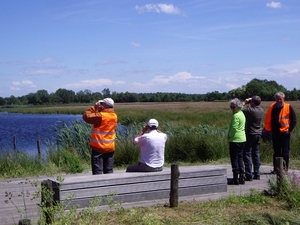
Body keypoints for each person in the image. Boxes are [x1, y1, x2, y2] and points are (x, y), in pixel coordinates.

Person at [82, 97, 118, 175]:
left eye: (101, 104)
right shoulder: (114, 116)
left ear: (105, 104)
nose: (100, 105)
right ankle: (110, 187)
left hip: (99, 147)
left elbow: (86, 116)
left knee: (98, 172)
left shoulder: (100, 116)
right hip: (110, 147)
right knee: (108, 170)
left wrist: (94, 107)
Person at [264, 92, 297, 172]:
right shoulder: (273, 107)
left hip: (285, 133)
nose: (279, 100)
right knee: (276, 152)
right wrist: (268, 130)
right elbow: (269, 119)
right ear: (275, 99)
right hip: (275, 133)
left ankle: (285, 169)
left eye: (280, 99)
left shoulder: (288, 107)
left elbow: (294, 120)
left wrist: (289, 130)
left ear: (283, 99)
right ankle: (276, 169)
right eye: (277, 99)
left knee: (285, 152)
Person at [242, 96, 264, 181]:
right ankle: (257, 173)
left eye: (252, 101)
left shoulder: (251, 111)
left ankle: (248, 174)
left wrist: (245, 101)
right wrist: (250, 102)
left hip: (250, 134)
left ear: (253, 102)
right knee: (256, 154)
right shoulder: (261, 110)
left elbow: (239, 108)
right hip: (258, 133)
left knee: (247, 153)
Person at [227, 98, 246, 185]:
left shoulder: (235, 116)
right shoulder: (241, 113)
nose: (232, 108)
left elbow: (234, 128)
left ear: (238, 106)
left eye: (233, 107)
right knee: (240, 158)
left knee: (234, 159)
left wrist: (229, 135)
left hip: (235, 139)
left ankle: (235, 179)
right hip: (242, 139)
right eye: (231, 107)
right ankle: (242, 177)